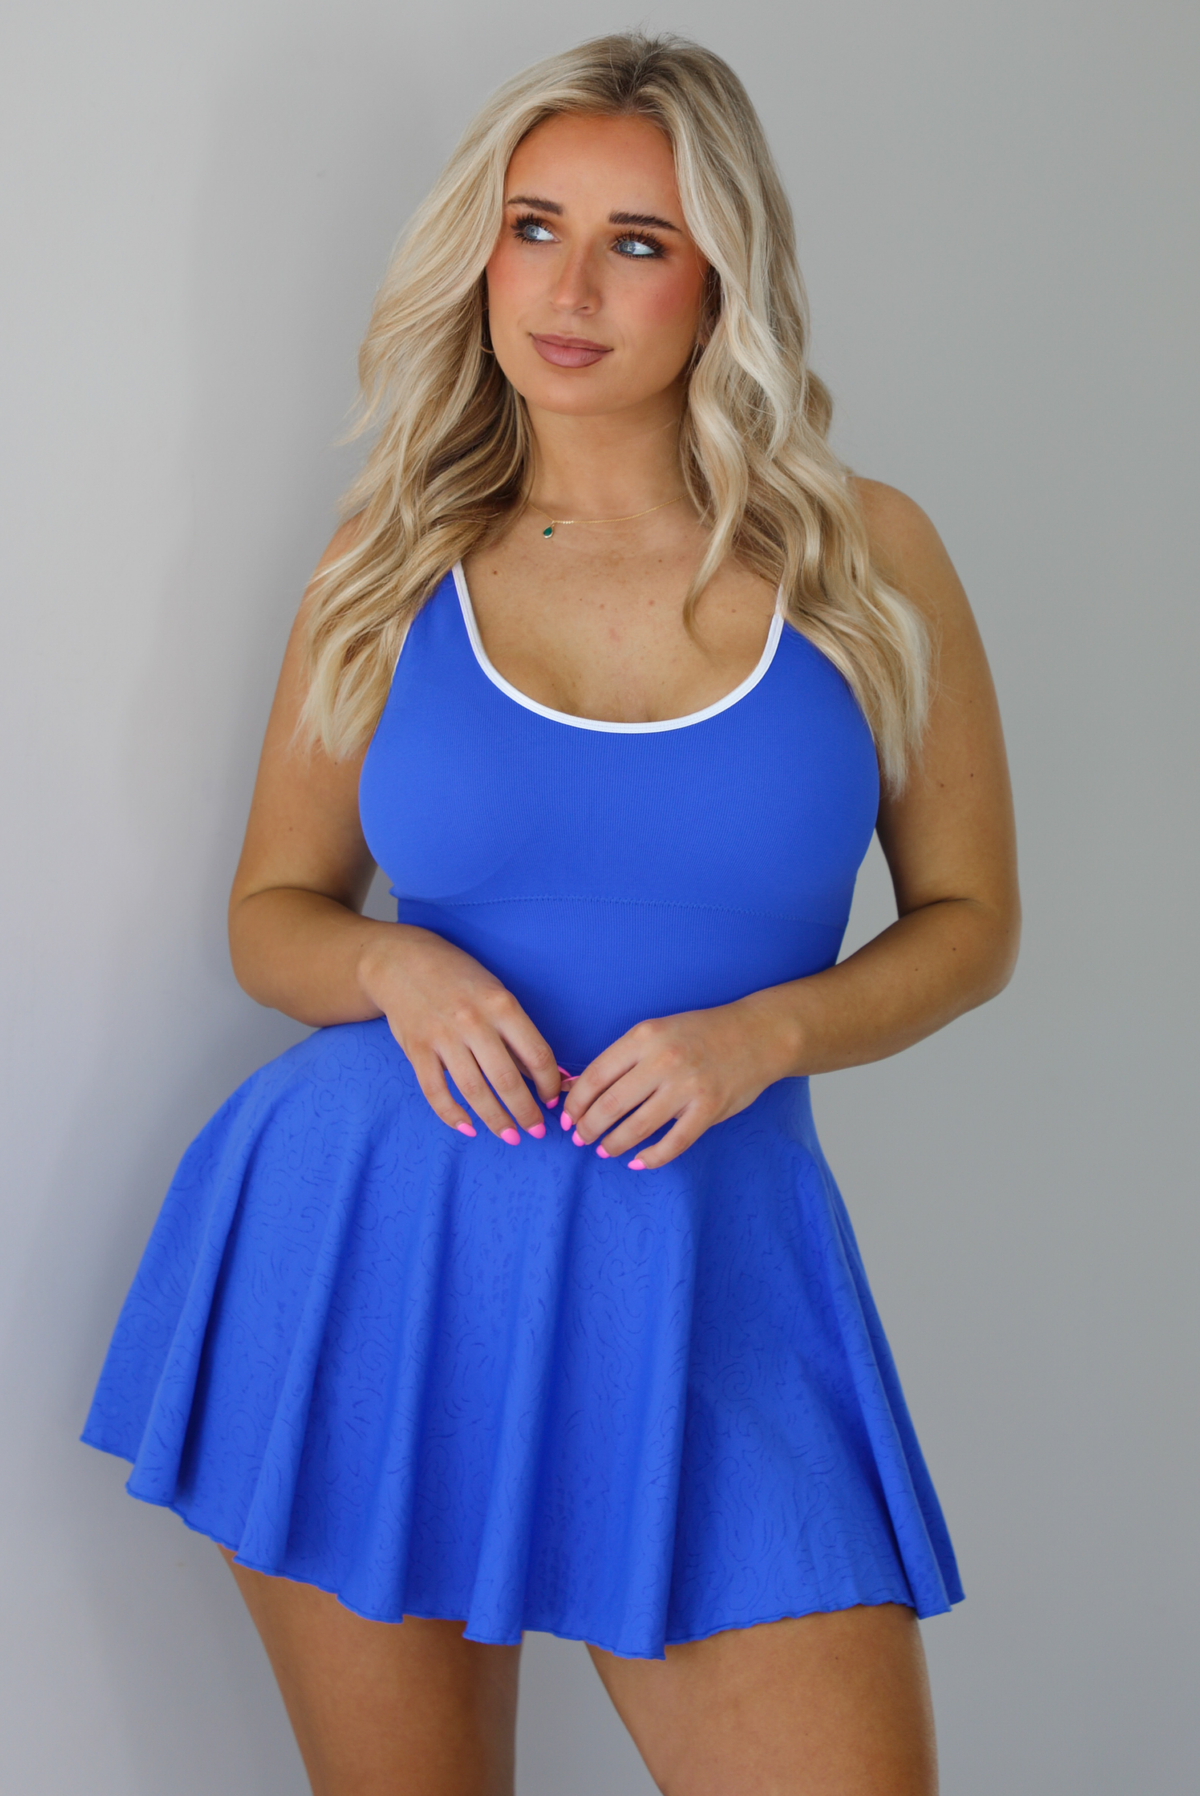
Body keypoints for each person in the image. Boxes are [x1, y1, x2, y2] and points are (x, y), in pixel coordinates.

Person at [82, 30, 1019, 1796]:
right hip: (376, 1246)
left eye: (636, 242)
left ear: (721, 278)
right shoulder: (391, 560)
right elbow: (272, 913)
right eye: (534, 228)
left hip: (711, 1262)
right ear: (483, 253)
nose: (569, 289)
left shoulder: (865, 560)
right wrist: (393, 966)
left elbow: (971, 919)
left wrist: (768, 1033)